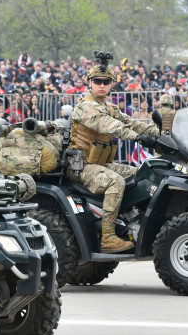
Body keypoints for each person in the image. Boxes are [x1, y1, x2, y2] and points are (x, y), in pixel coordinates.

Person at [68, 53, 160, 253]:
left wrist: (160, 132)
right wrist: (136, 138)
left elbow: (131, 122)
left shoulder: (109, 107)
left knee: (142, 173)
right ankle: (108, 237)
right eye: (97, 81)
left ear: (111, 84)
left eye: (106, 81)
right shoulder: (86, 107)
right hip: (81, 167)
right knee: (115, 181)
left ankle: (129, 221)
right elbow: (110, 126)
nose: (102, 85)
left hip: (99, 164)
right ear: (89, 83)